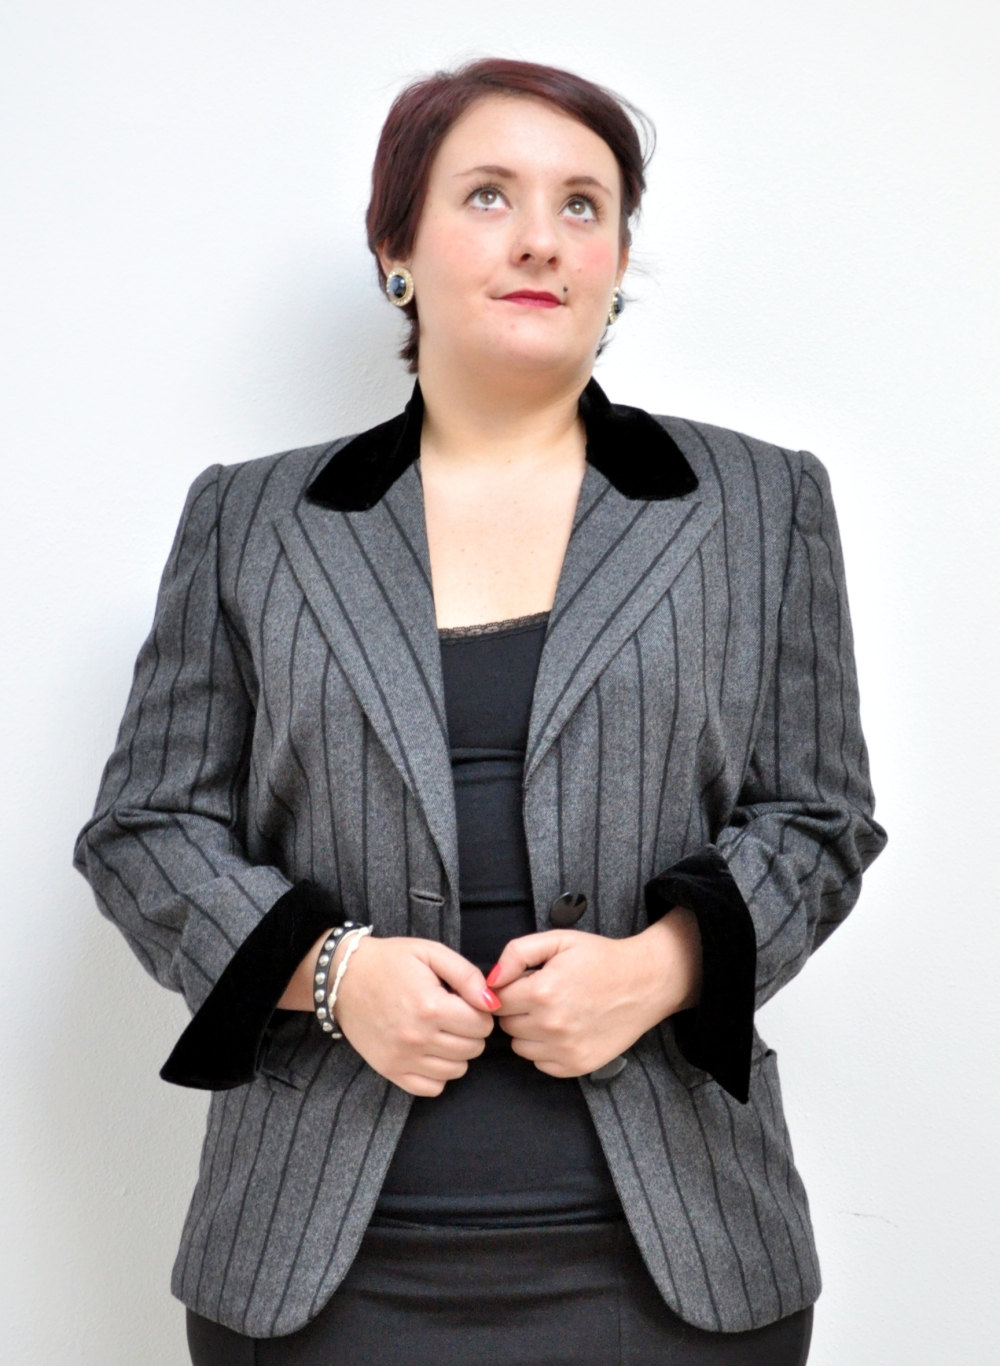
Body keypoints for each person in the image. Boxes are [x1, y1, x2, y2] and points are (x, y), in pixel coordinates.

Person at [74, 57, 886, 1366]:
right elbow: (148, 826)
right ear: (396, 248)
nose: (540, 239)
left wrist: (664, 968)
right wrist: (330, 974)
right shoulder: (252, 519)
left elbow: (820, 816)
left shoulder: (756, 503)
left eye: (583, 204)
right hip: (316, 1265)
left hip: (676, 1259)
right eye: (490, 194)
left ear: (617, 260)